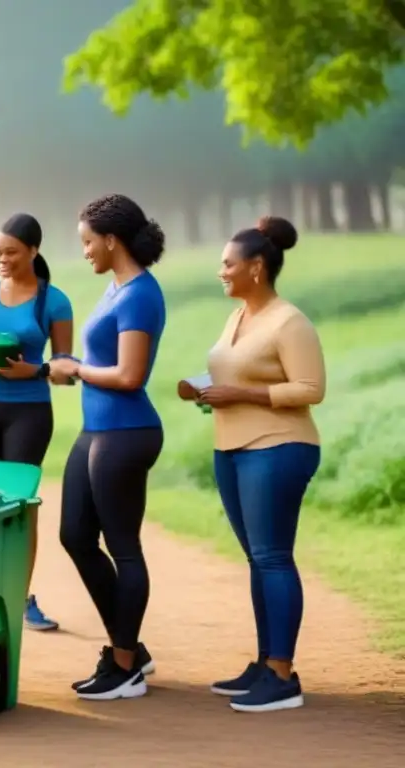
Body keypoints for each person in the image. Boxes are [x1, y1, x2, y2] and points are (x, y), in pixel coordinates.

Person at [180, 216, 324, 713]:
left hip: (279, 446)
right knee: (257, 558)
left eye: (228, 264)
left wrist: (239, 392)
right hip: (233, 449)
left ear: (256, 268)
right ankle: (266, 663)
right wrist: (203, 388)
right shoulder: (238, 316)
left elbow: (311, 389)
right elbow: (235, 370)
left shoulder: (290, 321)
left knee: (273, 557)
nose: (221, 271)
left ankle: (283, 676)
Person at [50, 194, 166, 701]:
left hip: (126, 433)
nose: (85, 252)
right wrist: (66, 366)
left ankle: (124, 664)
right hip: (96, 430)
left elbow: (129, 375)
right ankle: (128, 650)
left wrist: (75, 369)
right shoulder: (117, 289)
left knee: (123, 547)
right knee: (75, 535)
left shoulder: (140, 294)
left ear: (112, 240)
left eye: (88, 242)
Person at [0, 213, 74, 632]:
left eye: (10, 252)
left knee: (19, 507)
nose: (1, 259)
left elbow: (66, 367)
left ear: (32, 252)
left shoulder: (53, 301)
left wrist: (36, 370)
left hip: (28, 412)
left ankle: (22, 599)